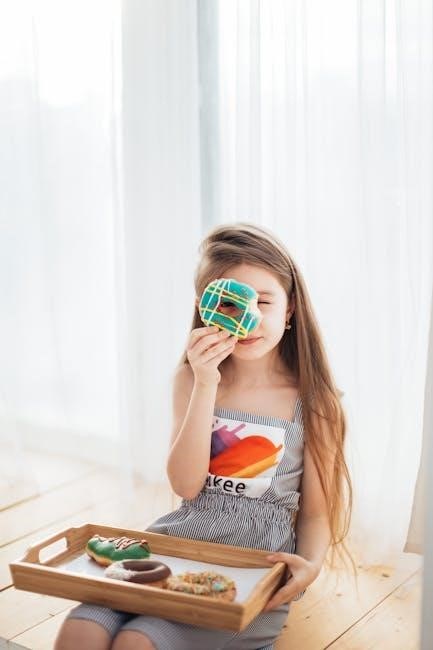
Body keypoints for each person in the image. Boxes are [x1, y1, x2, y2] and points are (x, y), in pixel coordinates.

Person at [55, 223, 355, 650]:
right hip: (179, 541)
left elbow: (316, 514)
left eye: (263, 302)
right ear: (205, 308)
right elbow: (185, 485)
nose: (248, 319)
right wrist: (205, 383)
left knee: (138, 641)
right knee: (82, 629)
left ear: (289, 310)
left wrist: (310, 566)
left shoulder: (315, 402)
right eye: (230, 304)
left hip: (252, 563)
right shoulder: (191, 380)